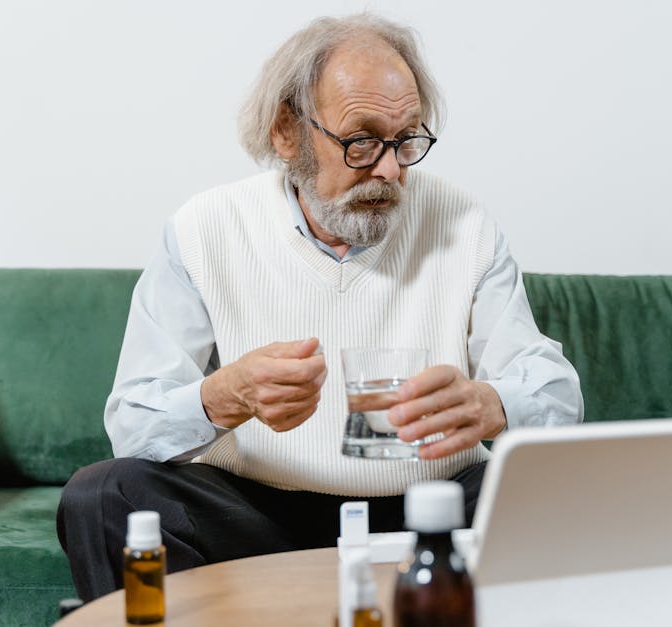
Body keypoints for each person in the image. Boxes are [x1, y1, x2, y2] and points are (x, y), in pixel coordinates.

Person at [57, 13, 583, 602]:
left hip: (428, 513)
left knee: (547, 496)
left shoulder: (465, 225)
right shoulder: (205, 228)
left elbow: (557, 395)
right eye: (361, 140)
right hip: (258, 517)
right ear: (288, 131)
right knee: (104, 494)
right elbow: (132, 422)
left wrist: (492, 403)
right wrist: (222, 397)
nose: (390, 170)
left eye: (407, 139)